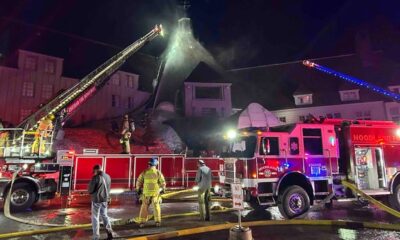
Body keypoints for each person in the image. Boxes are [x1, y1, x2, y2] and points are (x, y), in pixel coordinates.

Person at [136, 158, 166, 228]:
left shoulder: (144, 172)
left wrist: (138, 189)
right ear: (155, 165)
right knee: (156, 208)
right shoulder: (158, 172)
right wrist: (162, 189)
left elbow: (139, 181)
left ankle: (142, 222)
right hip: (155, 194)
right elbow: (163, 183)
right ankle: (157, 222)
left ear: (149, 164)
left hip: (146, 194)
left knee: (144, 208)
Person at [88, 165, 115, 240]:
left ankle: (96, 237)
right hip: (105, 200)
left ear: (96, 170)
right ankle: (110, 233)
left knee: (95, 217)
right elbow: (108, 188)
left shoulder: (96, 178)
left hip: (97, 200)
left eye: (94, 171)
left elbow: (90, 190)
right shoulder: (108, 176)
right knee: (105, 215)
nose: (93, 173)